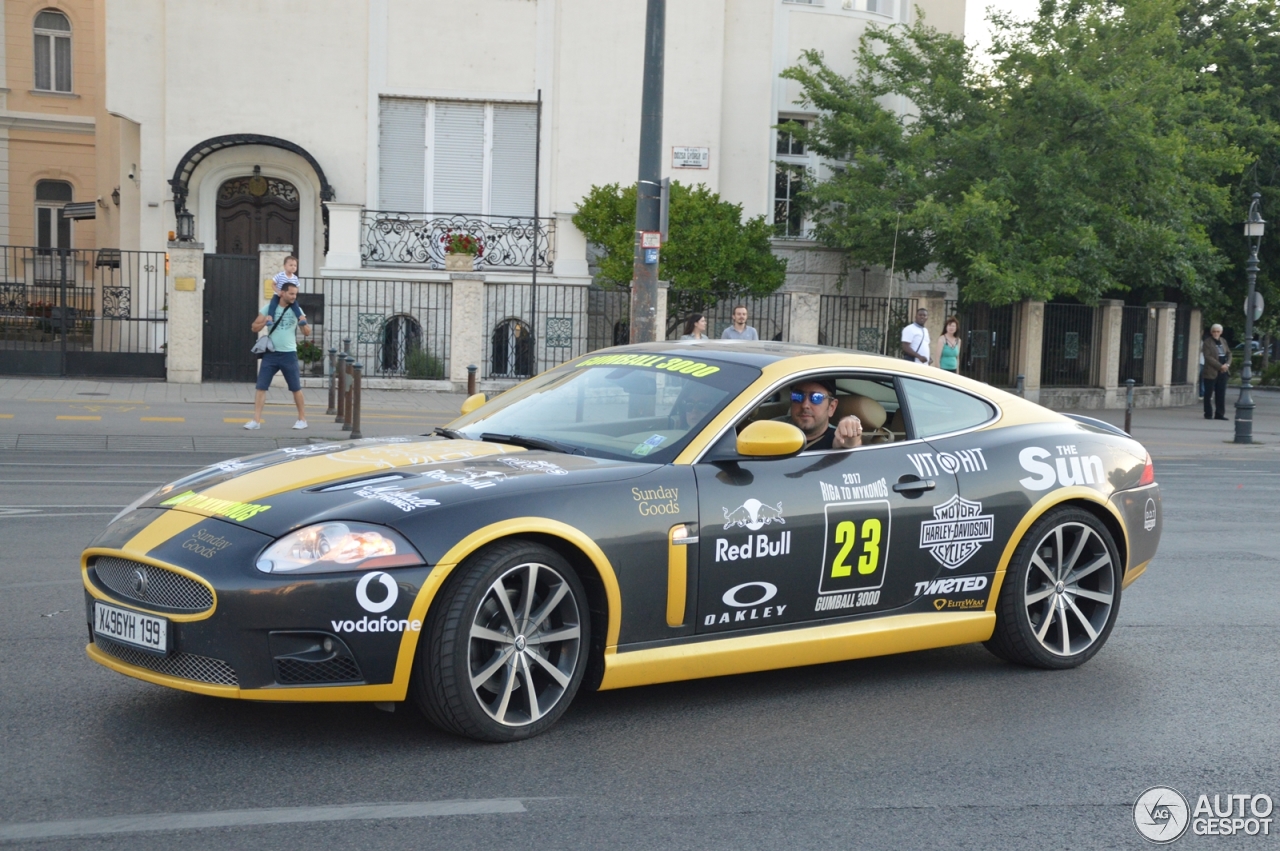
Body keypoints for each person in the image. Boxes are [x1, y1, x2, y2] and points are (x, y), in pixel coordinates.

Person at [245, 282, 311, 430]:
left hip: (289, 354)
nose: (294, 296)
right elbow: (254, 326)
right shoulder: (269, 308)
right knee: (261, 387)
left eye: (295, 294)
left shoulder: (297, 309)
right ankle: (256, 421)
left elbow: (307, 332)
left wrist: (303, 323)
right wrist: (264, 323)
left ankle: (302, 419)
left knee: (296, 388)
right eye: (291, 294)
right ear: (282, 293)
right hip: (271, 354)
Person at [787, 379, 862, 451]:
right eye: (797, 396)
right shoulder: (777, 427)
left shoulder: (835, 438)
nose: (805, 405)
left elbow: (847, 442)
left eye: (816, 398)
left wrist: (850, 428)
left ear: (831, 407)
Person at [1201, 324, 1232, 421]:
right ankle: (1208, 413)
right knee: (1208, 394)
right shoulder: (1207, 342)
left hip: (1223, 371)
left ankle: (1219, 414)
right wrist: (1220, 366)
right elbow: (1208, 357)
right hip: (1211, 371)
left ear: (1221, 332)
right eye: (1214, 331)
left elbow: (1229, 353)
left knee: (1221, 393)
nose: (1216, 333)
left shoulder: (1223, 341)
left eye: (1218, 331)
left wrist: (1227, 364)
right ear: (1211, 332)